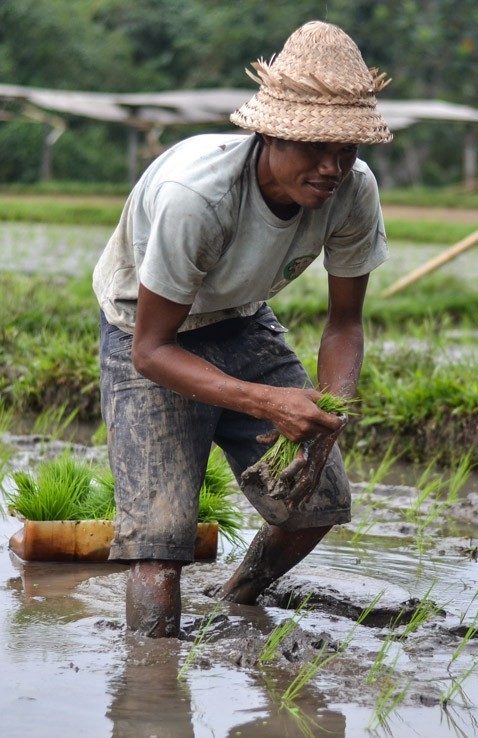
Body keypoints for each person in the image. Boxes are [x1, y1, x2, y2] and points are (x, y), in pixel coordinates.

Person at [92, 20, 392, 637]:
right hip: (144, 330)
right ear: (269, 136)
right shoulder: (197, 199)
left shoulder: (353, 192)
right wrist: (265, 400)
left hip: (241, 320)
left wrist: (328, 415)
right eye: (315, 147)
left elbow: (344, 324)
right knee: (159, 542)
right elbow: (152, 351)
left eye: (347, 149)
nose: (333, 167)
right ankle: (153, 681)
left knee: (317, 502)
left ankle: (237, 599)